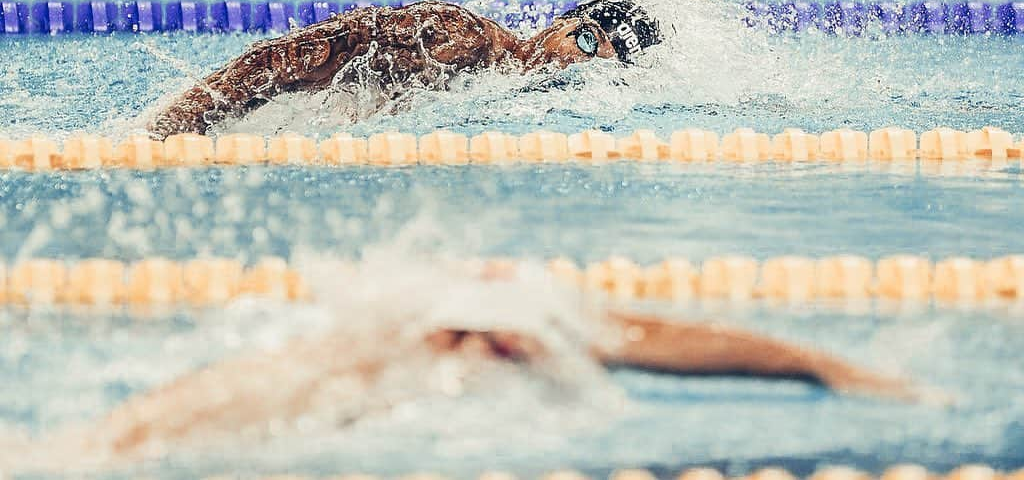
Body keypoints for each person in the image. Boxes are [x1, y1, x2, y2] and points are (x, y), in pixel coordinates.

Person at [24, 260, 918, 471]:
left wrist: (830, 369)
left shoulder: (369, 330)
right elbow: (673, 344)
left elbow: (670, 343)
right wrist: (837, 373)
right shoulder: (493, 309)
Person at [147, 0, 664, 138]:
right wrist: (188, 114)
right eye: (589, 43)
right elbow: (300, 53)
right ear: (571, 26)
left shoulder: (520, 100)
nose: (581, 64)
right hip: (236, 126)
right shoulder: (461, 37)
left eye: (604, 68)